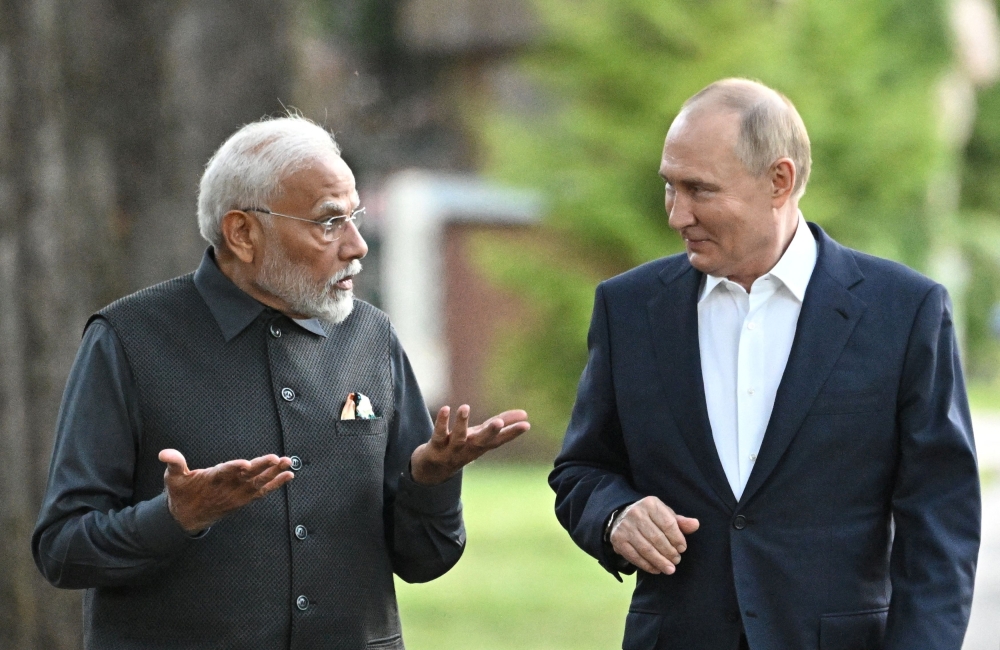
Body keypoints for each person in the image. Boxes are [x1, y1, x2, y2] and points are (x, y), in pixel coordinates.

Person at [32, 115, 530, 650]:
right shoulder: (129, 341)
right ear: (243, 233)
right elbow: (63, 549)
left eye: (355, 217)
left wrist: (430, 482)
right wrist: (175, 517)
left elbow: (425, 560)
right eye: (329, 222)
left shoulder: (371, 336)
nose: (358, 245)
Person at [550, 78, 980, 650]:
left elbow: (941, 519)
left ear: (779, 181)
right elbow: (581, 471)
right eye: (669, 188)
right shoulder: (627, 308)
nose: (677, 215)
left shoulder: (904, 311)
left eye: (699, 189)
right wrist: (613, 516)